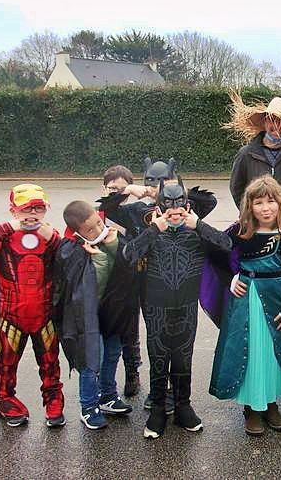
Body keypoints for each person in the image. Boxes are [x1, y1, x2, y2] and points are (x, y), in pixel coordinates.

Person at [123, 175, 231, 439]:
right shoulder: (152, 233)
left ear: (188, 206)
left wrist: (199, 225)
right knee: (159, 359)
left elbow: (227, 245)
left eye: (179, 206)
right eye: (168, 206)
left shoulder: (195, 232)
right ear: (159, 208)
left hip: (186, 308)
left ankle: (183, 406)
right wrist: (153, 229)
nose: (174, 212)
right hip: (156, 309)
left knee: (183, 358)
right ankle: (158, 409)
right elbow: (128, 255)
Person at [208, 176, 281, 436]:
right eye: (258, 203)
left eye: (271, 201)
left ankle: (270, 403)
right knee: (252, 350)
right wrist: (232, 279)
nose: (266, 208)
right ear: (249, 206)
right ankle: (253, 407)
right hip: (249, 300)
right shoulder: (240, 230)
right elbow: (214, 252)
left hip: (279, 299)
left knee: (275, 352)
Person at [0, 184, 64, 427]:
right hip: (11, 315)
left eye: (38, 208)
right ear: (13, 210)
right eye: (26, 208)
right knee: (6, 364)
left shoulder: (50, 236)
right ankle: (5, 399)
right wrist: (8, 227)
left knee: (50, 363)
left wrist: (53, 237)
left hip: (44, 315)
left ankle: (54, 402)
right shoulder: (2, 236)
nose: (32, 213)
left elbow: (69, 257)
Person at [54, 200, 139, 430]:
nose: (98, 230)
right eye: (90, 229)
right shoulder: (70, 250)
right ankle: (88, 406)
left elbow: (127, 267)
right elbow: (89, 288)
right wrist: (100, 258)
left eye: (99, 223)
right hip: (86, 319)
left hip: (113, 314)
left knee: (112, 354)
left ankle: (108, 395)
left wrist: (112, 245)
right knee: (92, 361)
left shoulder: (112, 237)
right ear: (76, 231)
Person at [97, 164, 141, 398]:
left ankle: (132, 371)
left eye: (123, 188)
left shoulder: (134, 211)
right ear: (103, 188)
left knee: (130, 332)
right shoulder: (98, 213)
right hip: (105, 285)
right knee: (108, 332)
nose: (118, 193)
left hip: (131, 280)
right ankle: (105, 379)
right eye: (113, 188)